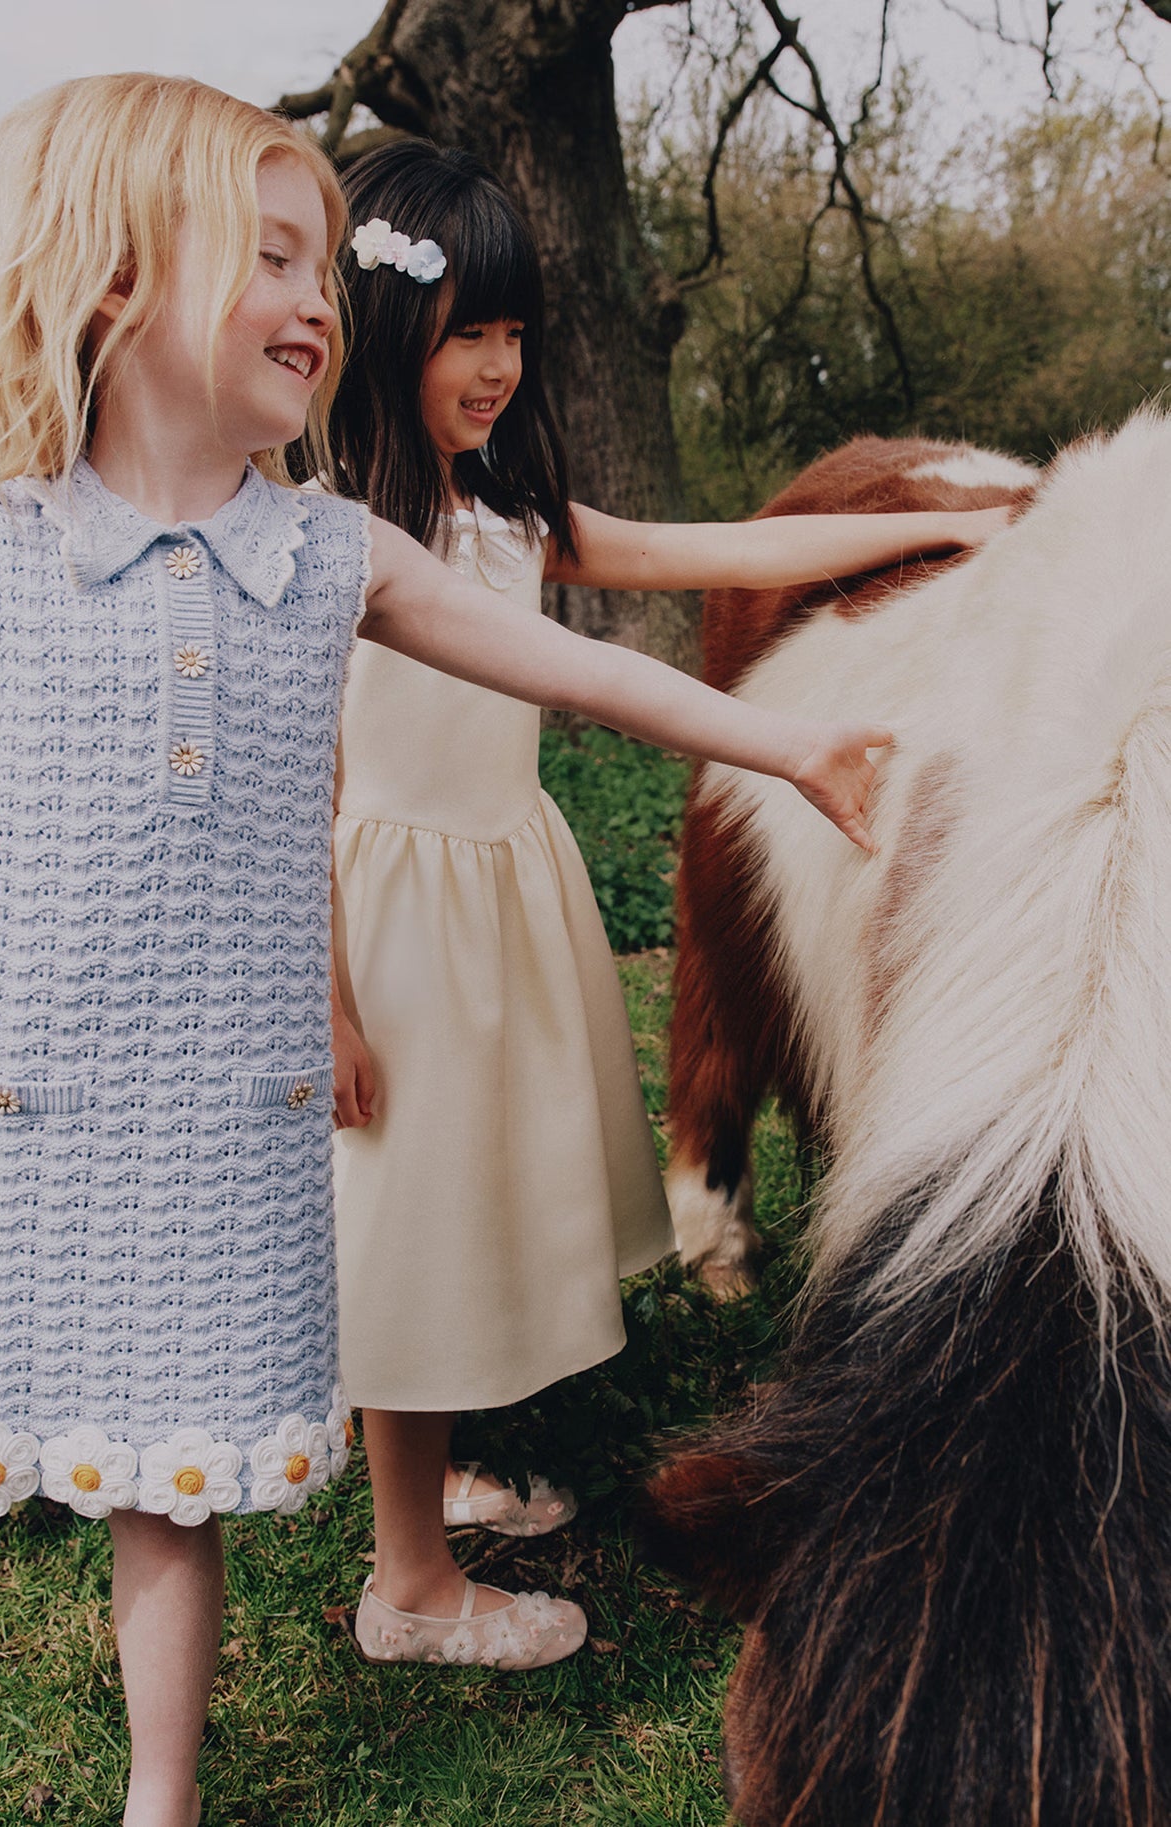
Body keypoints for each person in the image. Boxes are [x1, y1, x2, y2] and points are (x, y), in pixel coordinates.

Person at [0, 71, 938, 1821]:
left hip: (196, 1115)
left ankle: (162, 1802)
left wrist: (788, 740)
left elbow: (579, 665)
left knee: (168, 1494)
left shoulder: (330, 552)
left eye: (325, 269)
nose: (313, 307)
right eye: (273, 259)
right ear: (115, 278)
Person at [323, 140, 1011, 1672]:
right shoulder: (327, 537)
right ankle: (408, 1582)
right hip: (386, 921)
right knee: (404, 1223)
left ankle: (423, 1472)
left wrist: (937, 534)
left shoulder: (506, 513)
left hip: (496, 887)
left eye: (515, 335)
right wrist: (327, 991)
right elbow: (300, 784)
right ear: (383, 333)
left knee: (450, 1207)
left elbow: (724, 548)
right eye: (464, 336)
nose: (497, 369)